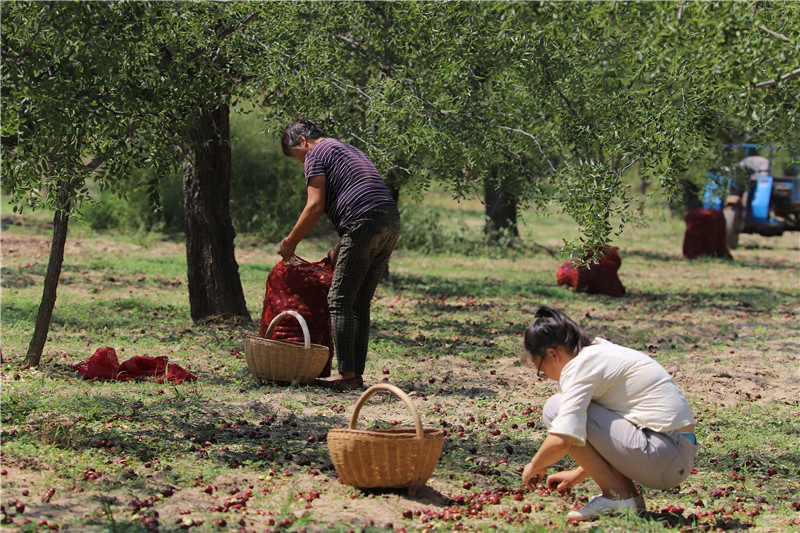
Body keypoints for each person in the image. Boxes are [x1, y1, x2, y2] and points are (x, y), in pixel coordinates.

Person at [520, 306, 697, 521]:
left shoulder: (579, 367)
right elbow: (619, 427)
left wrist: (535, 466)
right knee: (574, 410)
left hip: (665, 453)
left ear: (552, 354)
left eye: (541, 370)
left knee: (556, 408)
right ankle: (624, 498)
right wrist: (579, 474)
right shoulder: (597, 353)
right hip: (672, 453)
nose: (547, 376)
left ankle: (618, 496)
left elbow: (562, 438)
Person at [279, 118, 401, 391]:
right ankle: (354, 375)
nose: (300, 162)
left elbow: (315, 205)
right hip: (390, 220)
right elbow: (361, 194)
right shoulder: (347, 149)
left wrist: (290, 242)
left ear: (302, 141)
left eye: (296, 155)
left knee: (340, 298)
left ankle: (347, 376)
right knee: (359, 303)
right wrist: (341, 245)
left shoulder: (315, 153)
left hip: (365, 220)